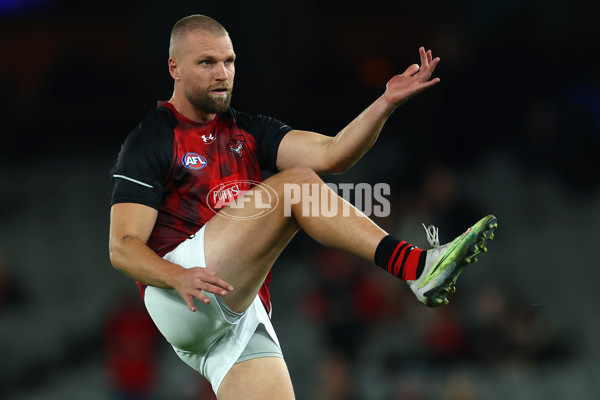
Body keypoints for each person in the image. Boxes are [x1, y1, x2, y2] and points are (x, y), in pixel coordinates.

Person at [108, 14, 497, 400]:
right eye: (207, 62)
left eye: (229, 61)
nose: (222, 73)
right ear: (174, 67)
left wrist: (385, 103)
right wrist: (177, 277)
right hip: (180, 289)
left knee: (303, 179)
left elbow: (332, 155)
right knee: (296, 185)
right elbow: (122, 246)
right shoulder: (152, 138)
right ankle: (414, 266)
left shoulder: (249, 130)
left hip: (236, 316)